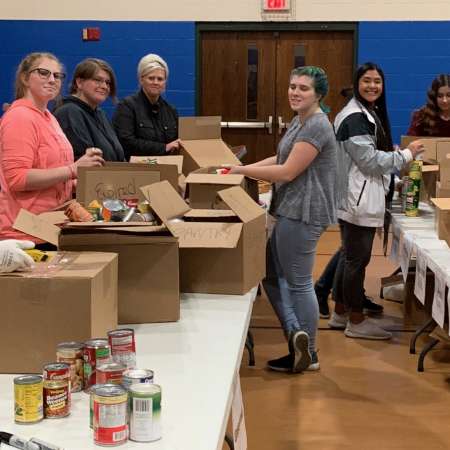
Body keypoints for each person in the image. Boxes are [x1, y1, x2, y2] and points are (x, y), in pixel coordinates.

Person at [229, 66, 337, 373]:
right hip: (288, 208)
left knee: (300, 283)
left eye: (303, 88)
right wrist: (241, 166)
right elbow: (281, 158)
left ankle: (310, 352)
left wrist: (241, 172)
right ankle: (296, 334)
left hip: (303, 212)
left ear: (318, 94)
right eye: (292, 86)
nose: (295, 92)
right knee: (269, 273)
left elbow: (288, 172)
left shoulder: (316, 125)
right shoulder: (298, 121)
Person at [329, 62, 424, 340]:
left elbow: (364, 157)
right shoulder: (355, 117)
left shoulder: (364, 112)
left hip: (357, 196)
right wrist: (406, 155)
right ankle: (356, 321)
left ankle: (340, 313)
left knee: (349, 258)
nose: (373, 86)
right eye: (367, 81)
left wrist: (393, 167)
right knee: (356, 261)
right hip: (357, 200)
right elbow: (370, 162)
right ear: (357, 83)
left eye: (377, 82)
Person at [0, 52, 104, 244]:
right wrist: (72, 170)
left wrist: (83, 181)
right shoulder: (19, 117)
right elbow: (17, 179)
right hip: (23, 234)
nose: (52, 79)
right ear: (24, 78)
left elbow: (52, 173)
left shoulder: (49, 117)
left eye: (57, 76)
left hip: (50, 226)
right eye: (43, 73)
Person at [54, 58, 125, 162]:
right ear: (79, 82)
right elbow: (83, 161)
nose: (104, 86)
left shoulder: (100, 114)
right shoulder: (69, 113)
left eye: (108, 82)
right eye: (97, 80)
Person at [112, 53, 179, 160]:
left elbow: (176, 141)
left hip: (167, 166)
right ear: (141, 80)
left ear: (165, 83)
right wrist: (163, 148)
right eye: (151, 78)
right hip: (137, 169)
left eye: (160, 79)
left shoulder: (171, 110)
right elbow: (125, 142)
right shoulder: (127, 106)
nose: (156, 82)